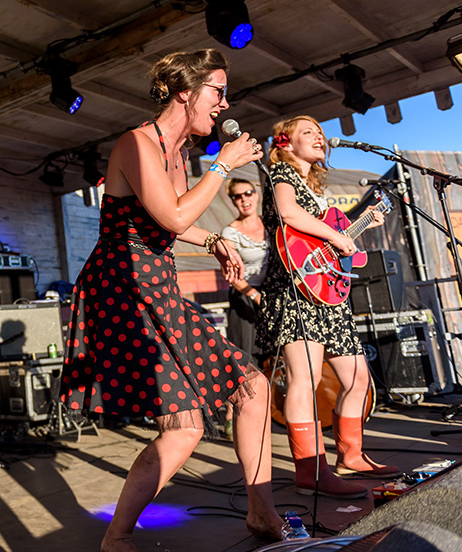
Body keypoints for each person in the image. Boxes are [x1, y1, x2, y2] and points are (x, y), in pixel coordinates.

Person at [59, 49, 282, 551]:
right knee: (184, 427)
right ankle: (117, 538)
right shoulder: (136, 143)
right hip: (122, 290)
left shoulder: (178, 155)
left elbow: (174, 220)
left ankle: (261, 511)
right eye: (218, 91)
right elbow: (173, 217)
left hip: (158, 287)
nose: (224, 104)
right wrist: (223, 166)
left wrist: (213, 239)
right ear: (186, 92)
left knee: (252, 388)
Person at [256, 116, 398, 499]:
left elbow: (332, 242)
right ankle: (311, 471)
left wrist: (361, 226)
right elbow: (289, 214)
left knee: (357, 378)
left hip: (328, 294)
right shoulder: (282, 175)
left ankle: (351, 455)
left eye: (320, 132)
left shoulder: (317, 190)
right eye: (309, 132)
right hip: (297, 289)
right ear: (285, 143)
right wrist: (337, 236)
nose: (319, 137)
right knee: (305, 379)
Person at [219, 177, 269, 438]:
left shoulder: (271, 225)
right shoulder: (230, 232)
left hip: (272, 295)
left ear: (256, 194)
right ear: (232, 201)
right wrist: (255, 296)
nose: (244, 199)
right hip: (245, 297)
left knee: (272, 356)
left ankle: (269, 410)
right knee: (246, 360)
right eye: (237, 196)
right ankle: (232, 414)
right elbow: (230, 274)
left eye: (248, 193)